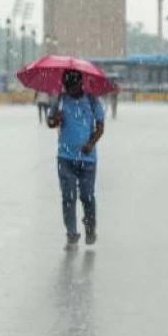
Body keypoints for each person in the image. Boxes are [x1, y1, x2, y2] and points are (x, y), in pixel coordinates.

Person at [46, 69, 105, 249]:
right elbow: (50, 123)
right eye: (67, 87)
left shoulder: (92, 100)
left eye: (72, 87)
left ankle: (90, 227)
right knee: (68, 197)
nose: (69, 91)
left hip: (87, 159)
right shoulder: (60, 100)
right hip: (65, 157)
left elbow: (100, 127)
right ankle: (71, 234)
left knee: (87, 196)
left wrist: (90, 143)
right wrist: (56, 119)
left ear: (80, 84)